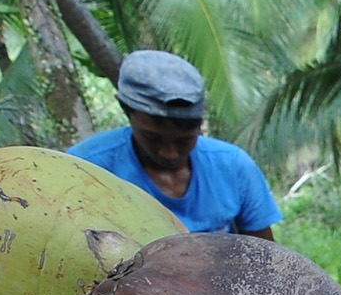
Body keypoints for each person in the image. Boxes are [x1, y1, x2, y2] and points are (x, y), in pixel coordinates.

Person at [69, 50, 282, 240]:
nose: (169, 154)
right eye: (153, 138)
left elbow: (265, 256)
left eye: (184, 140)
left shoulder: (234, 166)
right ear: (126, 110)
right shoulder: (87, 171)